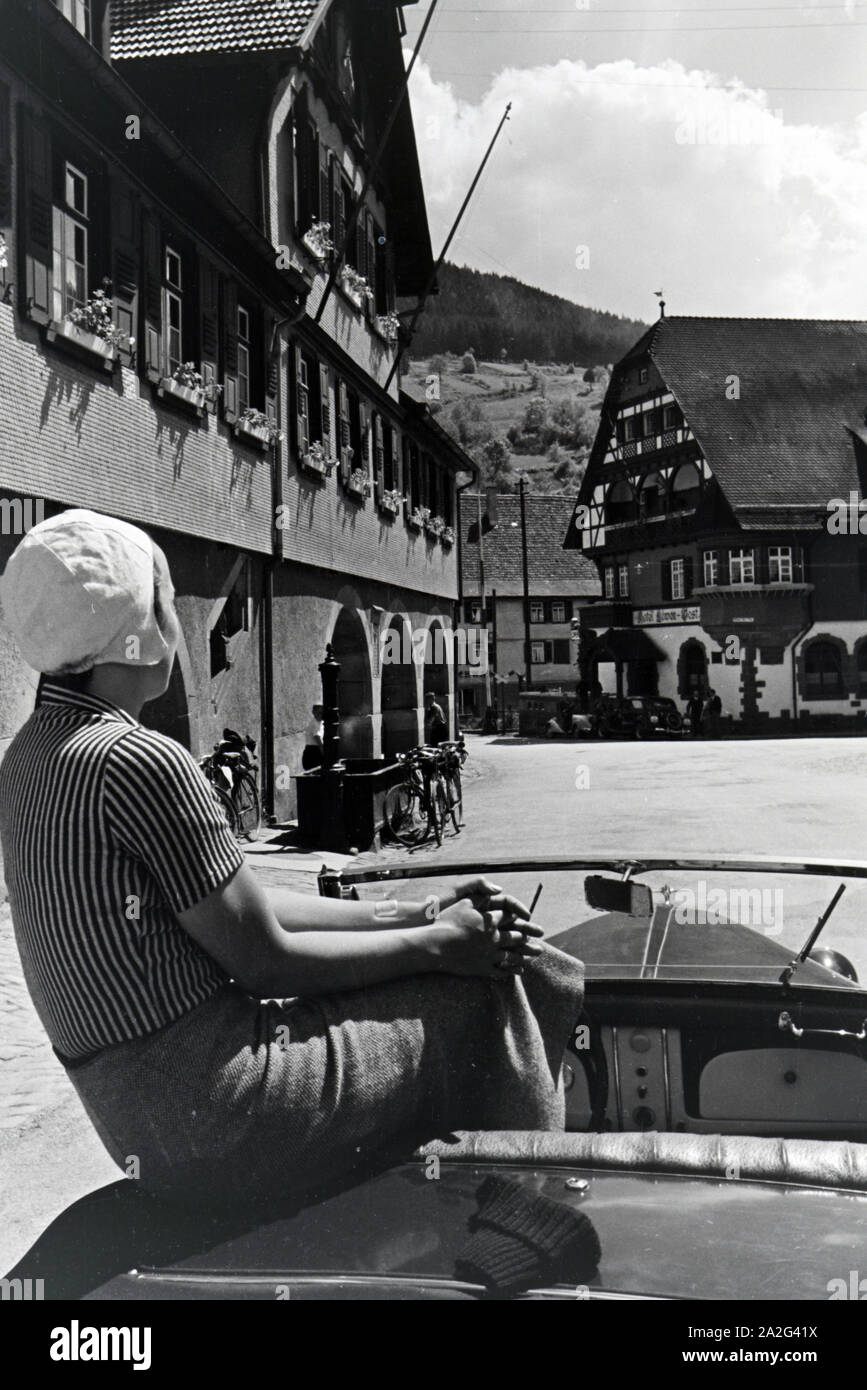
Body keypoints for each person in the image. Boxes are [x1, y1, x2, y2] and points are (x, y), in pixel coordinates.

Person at [0, 510, 584, 1208]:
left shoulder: (30, 754)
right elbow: (266, 960)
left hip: (144, 1119)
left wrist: (427, 911)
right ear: (141, 622)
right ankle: (534, 1221)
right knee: (485, 991)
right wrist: (441, 947)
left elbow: (249, 906)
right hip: (226, 1109)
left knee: (438, 970)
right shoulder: (137, 758)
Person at [302, 703, 324, 771]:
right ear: (313, 713)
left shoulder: (320, 722)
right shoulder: (314, 723)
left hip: (315, 751)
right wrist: (323, 751)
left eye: (322, 713)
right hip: (313, 753)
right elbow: (317, 737)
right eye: (319, 712)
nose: (320, 715)